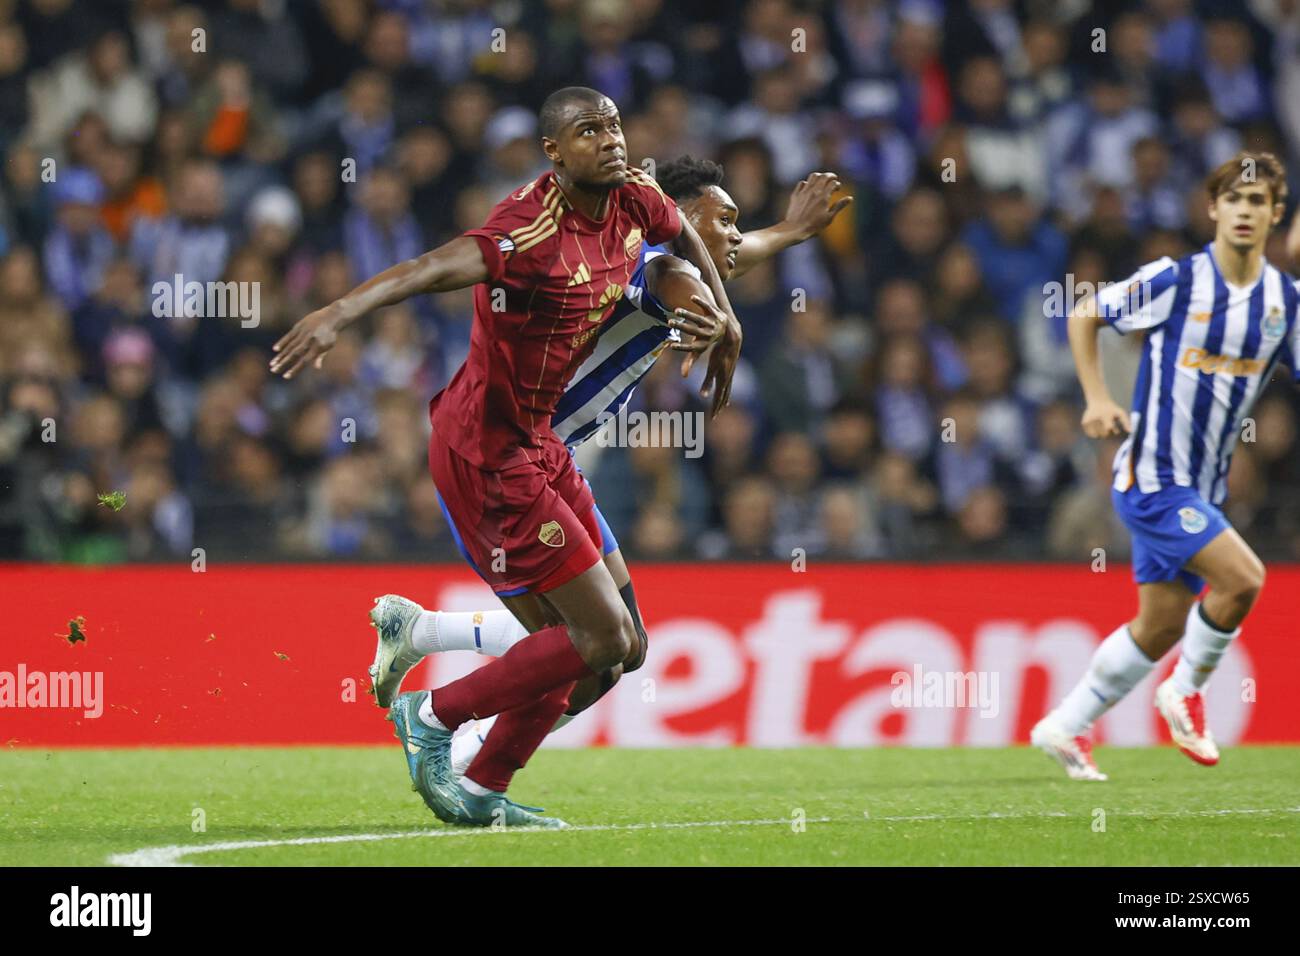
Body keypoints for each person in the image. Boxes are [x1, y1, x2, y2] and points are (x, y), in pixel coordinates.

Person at [270, 87, 741, 827]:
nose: (610, 140)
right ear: (554, 152)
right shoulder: (527, 230)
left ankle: (482, 786)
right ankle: (433, 714)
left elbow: (684, 231)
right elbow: (429, 267)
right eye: (588, 132)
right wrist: (339, 312)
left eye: (614, 125)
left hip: (541, 443)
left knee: (617, 652)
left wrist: (730, 320)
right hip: (487, 454)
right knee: (598, 637)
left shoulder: (634, 197)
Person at [369, 157, 850, 776]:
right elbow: (675, 278)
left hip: (550, 464)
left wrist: (789, 231)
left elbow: (728, 260)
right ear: (679, 217)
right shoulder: (648, 265)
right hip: (500, 468)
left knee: (622, 649)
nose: (735, 234)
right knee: (590, 646)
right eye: (724, 219)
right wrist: (713, 315)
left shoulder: (670, 260)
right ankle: (456, 750)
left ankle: (431, 656)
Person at [1032, 152, 1298, 780]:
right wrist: (1097, 399)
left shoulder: (1285, 304)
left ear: (1275, 215)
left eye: (1257, 202)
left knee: (1160, 624)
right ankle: (1185, 692)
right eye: (1233, 199)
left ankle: (1064, 725)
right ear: (1213, 209)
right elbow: (1086, 313)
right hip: (1152, 480)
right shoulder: (1177, 280)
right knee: (1244, 580)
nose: (1243, 211)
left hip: (1202, 490)